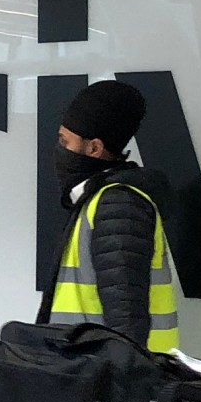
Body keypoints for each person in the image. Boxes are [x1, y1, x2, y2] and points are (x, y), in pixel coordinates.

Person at [47, 78, 179, 353]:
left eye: (65, 141)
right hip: (90, 374)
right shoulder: (99, 199)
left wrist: (121, 392)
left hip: (104, 382)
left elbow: (126, 321)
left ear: (94, 148)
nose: (59, 149)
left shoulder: (118, 206)